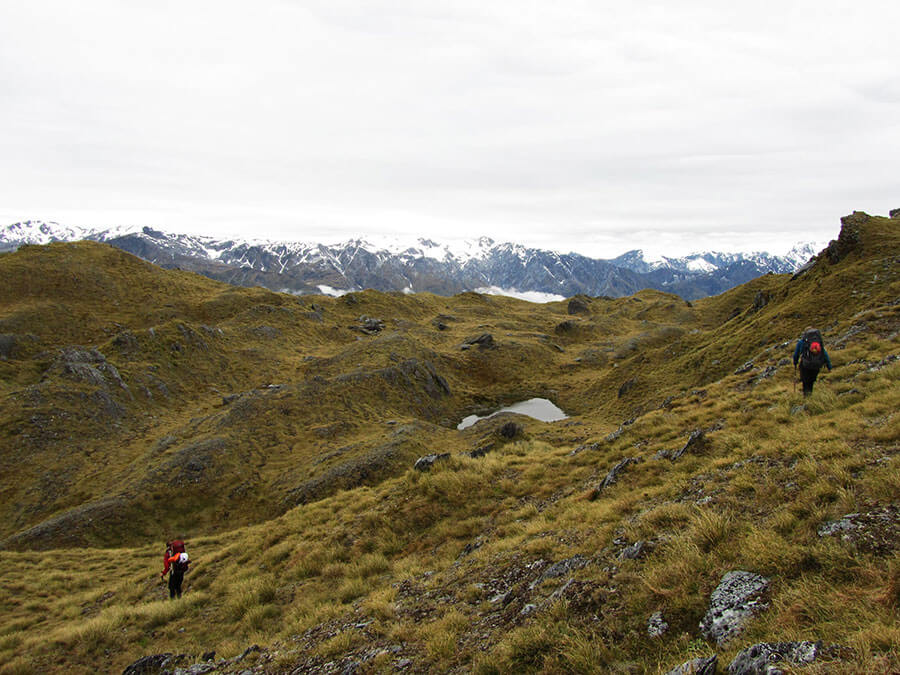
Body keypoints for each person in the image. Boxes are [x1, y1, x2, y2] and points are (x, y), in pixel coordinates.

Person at [792, 327, 832, 396]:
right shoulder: (818, 342)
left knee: (805, 382)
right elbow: (825, 354)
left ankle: (806, 397)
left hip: (805, 365)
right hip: (816, 365)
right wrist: (829, 366)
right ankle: (810, 395)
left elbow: (796, 354)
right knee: (811, 382)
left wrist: (795, 362)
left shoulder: (802, 342)